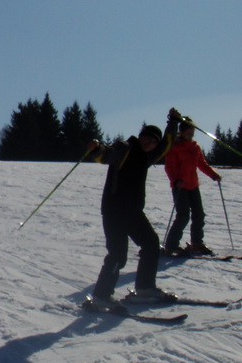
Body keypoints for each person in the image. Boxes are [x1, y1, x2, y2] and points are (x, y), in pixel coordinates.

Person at [85, 108, 181, 308]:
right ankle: (101, 296)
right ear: (141, 136)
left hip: (133, 212)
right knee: (118, 254)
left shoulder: (147, 156)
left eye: (153, 141)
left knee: (151, 244)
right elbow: (107, 155)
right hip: (114, 211)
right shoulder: (126, 148)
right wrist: (96, 150)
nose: (150, 143)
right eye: (147, 139)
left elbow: (166, 145)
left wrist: (173, 121)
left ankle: (145, 287)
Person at [162, 117, 222, 256]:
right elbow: (169, 167)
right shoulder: (175, 147)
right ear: (181, 133)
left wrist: (214, 175)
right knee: (183, 215)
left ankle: (197, 243)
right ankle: (171, 245)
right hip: (180, 186)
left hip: (193, 185)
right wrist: (176, 180)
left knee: (199, 214)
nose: (190, 135)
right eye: (188, 133)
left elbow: (202, 164)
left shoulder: (195, 147)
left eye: (192, 133)